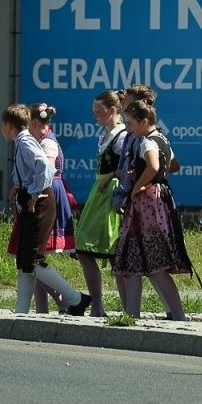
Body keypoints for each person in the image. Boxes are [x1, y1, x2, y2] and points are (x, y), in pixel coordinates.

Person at [3, 103, 91, 317]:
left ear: (8, 125)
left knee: (32, 257)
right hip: (33, 198)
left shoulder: (25, 142)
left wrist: (34, 193)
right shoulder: (22, 141)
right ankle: (21, 311)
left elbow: (45, 167)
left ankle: (75, 298)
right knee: (25, 259)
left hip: (40, 200)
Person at [112, 100, 192, 319]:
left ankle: (141, 313)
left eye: (130, 123)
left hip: (146, 205)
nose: (128, 128)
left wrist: (137, 186)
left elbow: (154, 166)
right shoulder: (163, 138)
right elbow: (172, 165)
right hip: (158, 201)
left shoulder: (147, 141)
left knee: (151, 262)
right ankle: (138, 313)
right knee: (137, 260)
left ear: (144, 121)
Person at [73, 90, 126, 318]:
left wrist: (111, 175)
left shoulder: (122, 136)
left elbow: (130, 166)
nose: (95, 116)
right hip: (100, 191)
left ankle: (126, 308)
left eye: (99, 112)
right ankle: (98, 305)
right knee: (84, 248)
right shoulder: (106, 134)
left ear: (113, 110)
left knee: (114, 251)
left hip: (112, 192)